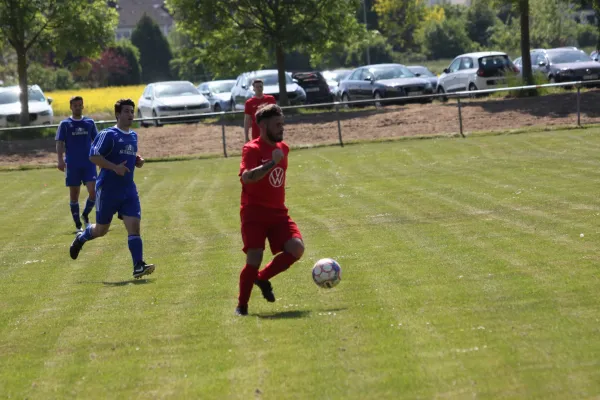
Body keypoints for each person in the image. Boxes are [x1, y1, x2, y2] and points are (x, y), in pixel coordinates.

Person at [69, 99, 155, 279]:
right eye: (126, 111)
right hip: (108, 190)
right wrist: (114, 167)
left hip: (128, 190)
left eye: (132, 111)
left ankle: (138, 265)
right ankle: (82, 238)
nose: (130, 115)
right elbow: (93, 156)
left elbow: (128, 153)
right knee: (101, 230)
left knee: (134, 228)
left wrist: (137, 160)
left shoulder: (133, 136)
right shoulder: (108, 134)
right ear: (117, 114)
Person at [236, 104, 305, 316]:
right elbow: (247, 178)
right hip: (254, 213)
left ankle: (262, 277)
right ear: (264, 126)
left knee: (297, 248)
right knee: (254, 258)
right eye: (277, 125)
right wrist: (270, 164)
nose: (282, 128)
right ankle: (242, 306)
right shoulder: (252, 149)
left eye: (282, 124)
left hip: (278, 214)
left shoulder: (283, 148)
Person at [55, 96, 99, 232]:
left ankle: (85, 215)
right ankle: (78, 225)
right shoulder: (65, 124)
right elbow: (59, 143)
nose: (78, 107)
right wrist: (60, 160)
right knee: (74, 194)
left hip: (89, 163)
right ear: (71, 107)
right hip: (72, 164)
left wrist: (100, 158)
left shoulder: (90, 123)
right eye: (75, 105)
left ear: (83, 106)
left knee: (94, 192)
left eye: (80, 105)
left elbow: (97, 141)